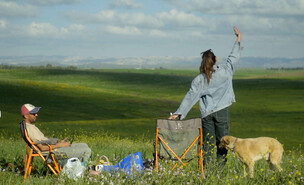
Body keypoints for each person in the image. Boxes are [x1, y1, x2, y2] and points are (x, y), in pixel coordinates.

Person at [168, 26, 242, 167]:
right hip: (222, 112)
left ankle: (207, 172)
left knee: (207, 143)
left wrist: (178, 114)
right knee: (223, 143)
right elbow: (234, 57)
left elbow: (190, 97)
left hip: (206, 114)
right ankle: (219, 173)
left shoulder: (200, 79)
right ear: (215, 60)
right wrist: (238, 39)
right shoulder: (225, 71)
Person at [20, 103, 91, 166]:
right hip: (52, 153)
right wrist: (60, 145)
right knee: (87, 150)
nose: (36, 115)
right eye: (33, 113)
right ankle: (81, 171)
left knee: (84, 145)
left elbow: (43, 142)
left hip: (53, 149)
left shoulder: (30, 126)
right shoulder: (30, 129)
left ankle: (77, 167)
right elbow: (42, 148)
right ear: (26, 116)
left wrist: (59, 143)